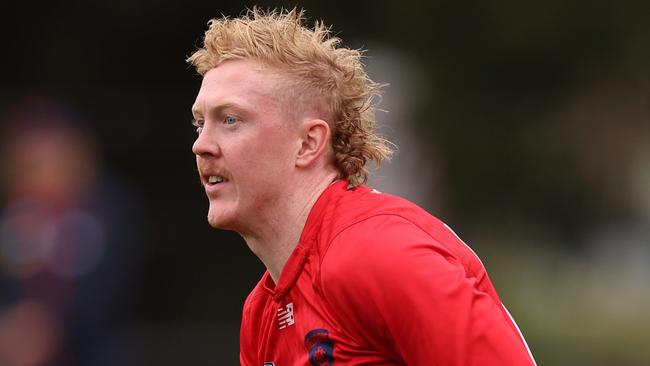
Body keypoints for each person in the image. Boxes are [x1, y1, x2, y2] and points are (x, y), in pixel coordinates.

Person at [187, 8, 536, 365]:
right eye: (200, 124)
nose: (201, 145)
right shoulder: (261, 314)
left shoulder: (377, 253)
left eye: (230, 119)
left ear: (308, 144)